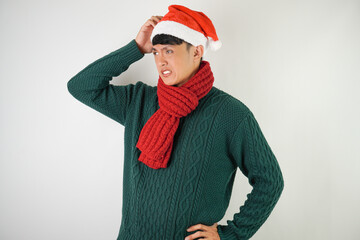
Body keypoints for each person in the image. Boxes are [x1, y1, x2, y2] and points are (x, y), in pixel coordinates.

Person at [67, 4, 284, 240]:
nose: (160, 61)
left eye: (169, 51)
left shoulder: (230, 114)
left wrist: (231, 234)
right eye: (155, 52)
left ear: (197, 51)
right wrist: (136, 48)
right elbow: (81, 86)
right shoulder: (138, 101)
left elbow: (270, 180)